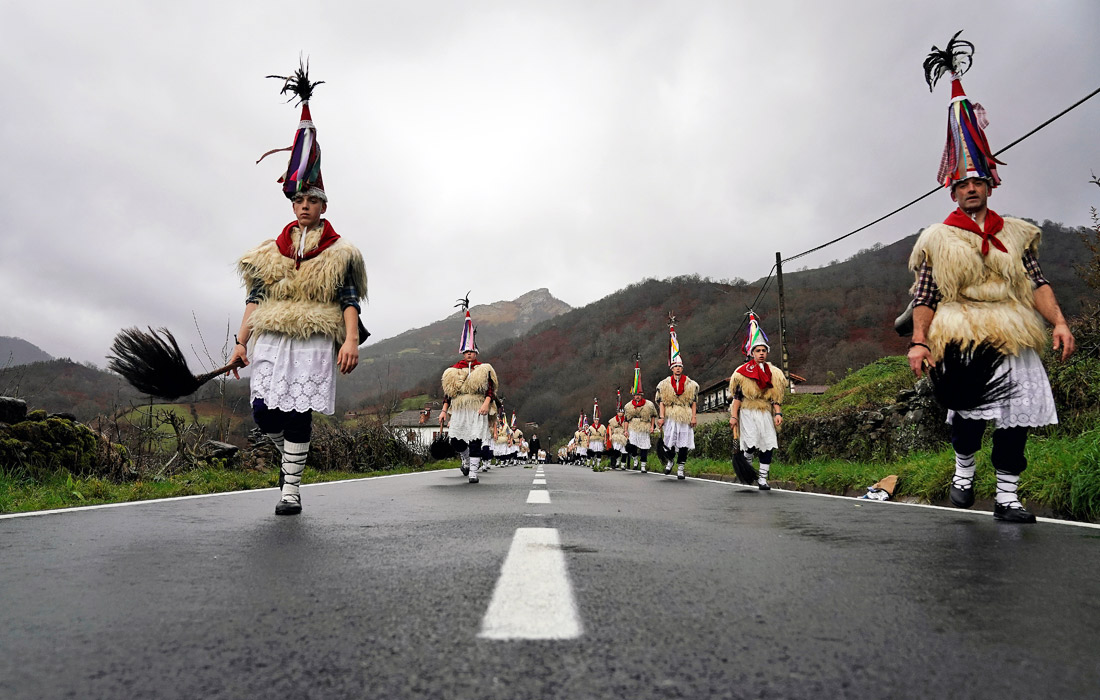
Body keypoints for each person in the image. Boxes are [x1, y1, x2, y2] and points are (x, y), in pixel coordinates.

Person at [907, 33, 1075, 523]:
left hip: (1015, 329)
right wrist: (920, 341)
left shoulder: (1019, 235)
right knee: (967, 412)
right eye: (963, 184)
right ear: (953, 191)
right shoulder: (937, 238)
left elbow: (1037, 284)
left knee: (1015, 418)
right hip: (961, 328)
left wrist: (1059, 323)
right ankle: (963, 468)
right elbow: (925, 292)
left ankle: (1007, 495)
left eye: (978, 181)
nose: (971, 189)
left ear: (989, 184)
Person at [230, 64, 367, 516]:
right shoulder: (270, 251)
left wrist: (349, 340)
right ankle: (289, 463)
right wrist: (240, 342)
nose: (305, 207)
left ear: (323, 205)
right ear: (292, 203)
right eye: (299, 200)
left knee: (297, 414)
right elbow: (254, 299)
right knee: (264, 413)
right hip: (272, 335)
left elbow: (348, 298)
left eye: (312, 201)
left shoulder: (339, 251)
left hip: (311, 337)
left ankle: (290, 488)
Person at [439, 297, 499, 483]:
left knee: (475, 440)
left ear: (476, 352)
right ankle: (464, 457)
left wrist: (486, 404)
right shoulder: (453, 370)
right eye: (466, 352)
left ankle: (473, 471)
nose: (469, 354)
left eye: (472, 351)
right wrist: (443, 411)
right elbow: (449, 393)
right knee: (456, 440)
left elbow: (490, 390)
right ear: (463, 353)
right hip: (459, 408)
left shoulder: (484, 369)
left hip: (477, 407)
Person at [729, 313, 788, 490]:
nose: (761, 353)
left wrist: (777, 413)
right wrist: (734, 416)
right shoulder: (742, 373)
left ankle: (762, 479)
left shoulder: (774, 373)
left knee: (767, 444)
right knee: (751, 444)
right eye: (758, 351)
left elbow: (775, 397)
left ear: (767, 352)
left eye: (763, 351)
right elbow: (737, 398)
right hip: (748, 412)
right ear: (752, 353)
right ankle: (747, 470)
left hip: (765, 412)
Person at [656, 317, 698, 480]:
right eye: (676, 367)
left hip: (685, 414)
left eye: (680, 366)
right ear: (672, 368)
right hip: (671, 415)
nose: (678, 369)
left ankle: (681, 467)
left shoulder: (691, 384)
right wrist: (661, 417)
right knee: (670, 441)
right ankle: (670, 461)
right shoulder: (665, 384)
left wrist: (693, 416)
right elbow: (662, 402)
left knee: (684, 443)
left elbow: (693, 401)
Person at [624, 359, 658, 472]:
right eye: (636, 395)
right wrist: (625, 430)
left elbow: (653, 415)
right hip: (633, 426)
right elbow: (626, 419)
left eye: (639, 394)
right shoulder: (628, 406)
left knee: (644, 446)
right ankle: (634, 458)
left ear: (641, 395)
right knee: (631, 445)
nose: (637, 396)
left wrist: (652, 426)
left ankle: (643, 465)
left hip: (644, 425)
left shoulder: (649, 404)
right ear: (633, 395)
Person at [607, 397, 630, 470]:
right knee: (615, 450)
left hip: (623, 436)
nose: (620, 413)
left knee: (624, 450)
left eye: (621, 412)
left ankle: (623, 464)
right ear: (617, 412)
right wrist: (610, 436)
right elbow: (610, 428)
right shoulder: (613, 420)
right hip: (616, 436)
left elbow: (627, 428)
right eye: (619, 412)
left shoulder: (625, 420)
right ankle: (613, 463)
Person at [586, 399, 607, 471]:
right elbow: (588, 435)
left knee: (599, 452)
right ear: (593, 420)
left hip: (599, 440)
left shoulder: (602, 426)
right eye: (595, 420)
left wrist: (605, 441)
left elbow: (604, 434)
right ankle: (593, 461)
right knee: (593, 452)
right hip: (593, 440)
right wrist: (588, 442)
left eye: (597, 420)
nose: (596, 421)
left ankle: (598, 463)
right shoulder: (591, 427)